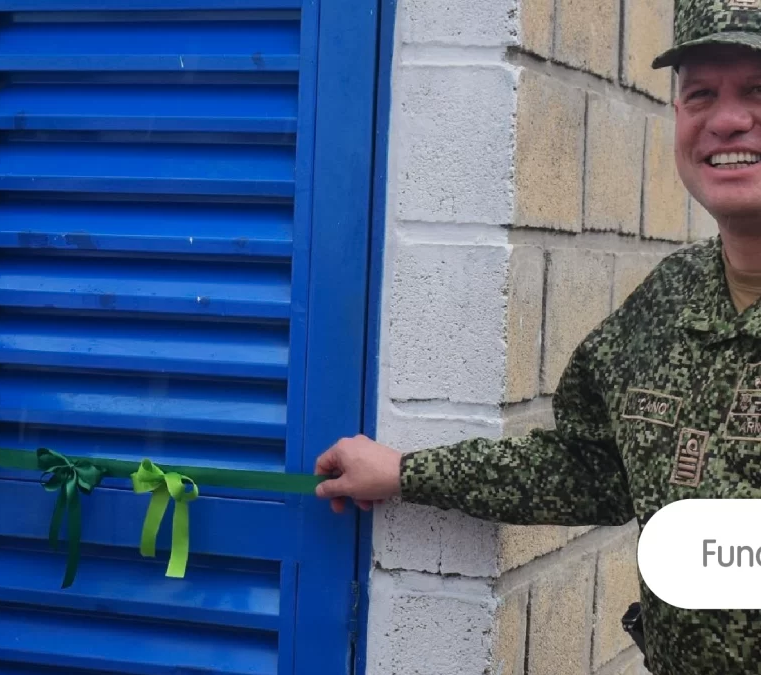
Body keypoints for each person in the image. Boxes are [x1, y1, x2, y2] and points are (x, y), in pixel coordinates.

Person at [314, 3, 761, 675]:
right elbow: (583, 467)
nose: (726, 119)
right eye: (701, 93)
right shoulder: (671, 303)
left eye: (758, 91)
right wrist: (406, 472)